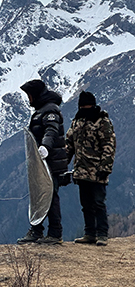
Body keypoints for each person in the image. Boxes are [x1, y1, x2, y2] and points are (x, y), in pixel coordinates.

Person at [17, 79, 68, 245]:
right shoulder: (41, 110)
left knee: (49, 196)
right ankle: (37, 230)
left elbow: (51, 130)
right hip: (41, 162)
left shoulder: (50, 110)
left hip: (50, 162)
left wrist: (45, 146)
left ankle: (54, 232)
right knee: (40, 196)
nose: (29, 99)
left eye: (30, 95)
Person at [66, 91, 116, 246]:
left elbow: (109, 144)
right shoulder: (77, 121)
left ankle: (102, 234)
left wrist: (105, 167)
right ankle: (90, 233)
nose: (85, 108)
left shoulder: (102, 121)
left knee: (99, 203)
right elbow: (69, 144)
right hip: (81, 171)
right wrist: (62, 162)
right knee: (86, 204)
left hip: (97, 170)